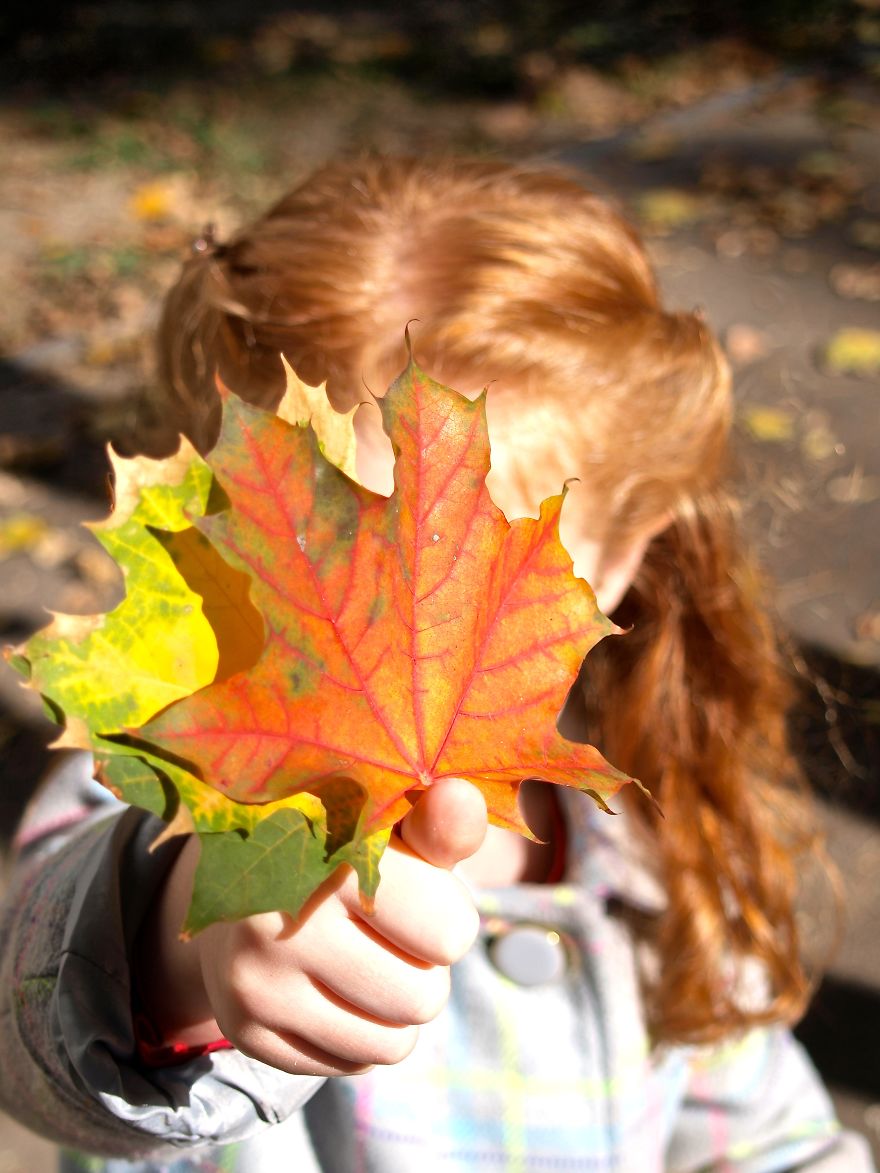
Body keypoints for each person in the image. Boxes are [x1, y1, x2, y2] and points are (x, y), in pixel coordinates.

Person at [1, 157, 873, 1172]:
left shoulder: (654, 862)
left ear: (633, 552)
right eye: (298, 578)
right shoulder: (164, 772)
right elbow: (36, 1014)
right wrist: (182, 944)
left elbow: (761, 1133)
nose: (357, 642)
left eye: (445, 586)